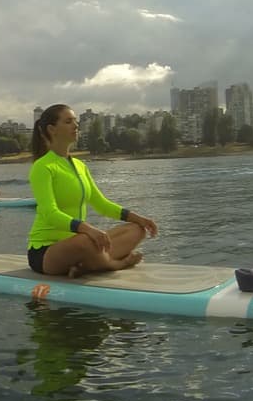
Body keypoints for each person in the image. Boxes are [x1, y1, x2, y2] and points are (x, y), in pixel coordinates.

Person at [27, 104, 158, 277]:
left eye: (75, 121)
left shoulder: (80, 166)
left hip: (80, 243)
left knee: (137, 229)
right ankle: (114, 264)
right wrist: (87, 229)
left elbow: (102, 204)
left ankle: (87, 265)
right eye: (68, 122)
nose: (75, 126)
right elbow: (49, 213)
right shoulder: (43, 167)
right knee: (86, 240)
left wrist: (139, 218)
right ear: (52, 129)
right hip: (47, 252)